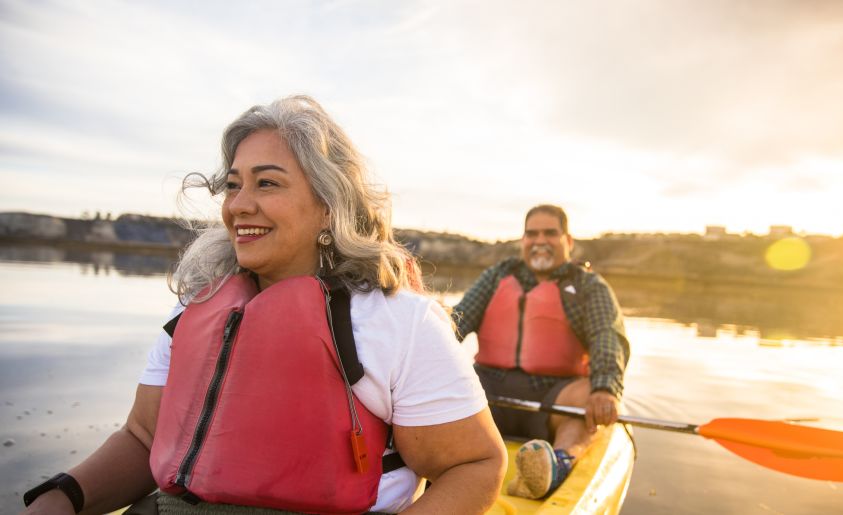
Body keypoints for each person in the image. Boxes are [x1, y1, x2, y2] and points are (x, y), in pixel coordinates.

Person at [21, 95, 506, 515]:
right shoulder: (193, 310)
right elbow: (143, 438)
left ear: (328, 206)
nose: (238, 205)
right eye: (234, 185)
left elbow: (474, 465)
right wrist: (64, 495)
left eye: (267, 183)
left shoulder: (398, 321)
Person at [451, 204, 629, 500]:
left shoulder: (587, 286)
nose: (540, 241)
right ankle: (437, 459)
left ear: (568, 241)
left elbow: (606, 335)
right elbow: (457, 322)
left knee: (587, 394)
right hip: (488, 392)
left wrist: (605, 388)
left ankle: (557, 463)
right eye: (531, 234)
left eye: (550, 233)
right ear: (523, 240)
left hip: (554, 397)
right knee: (446, 378)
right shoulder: (498, 276)